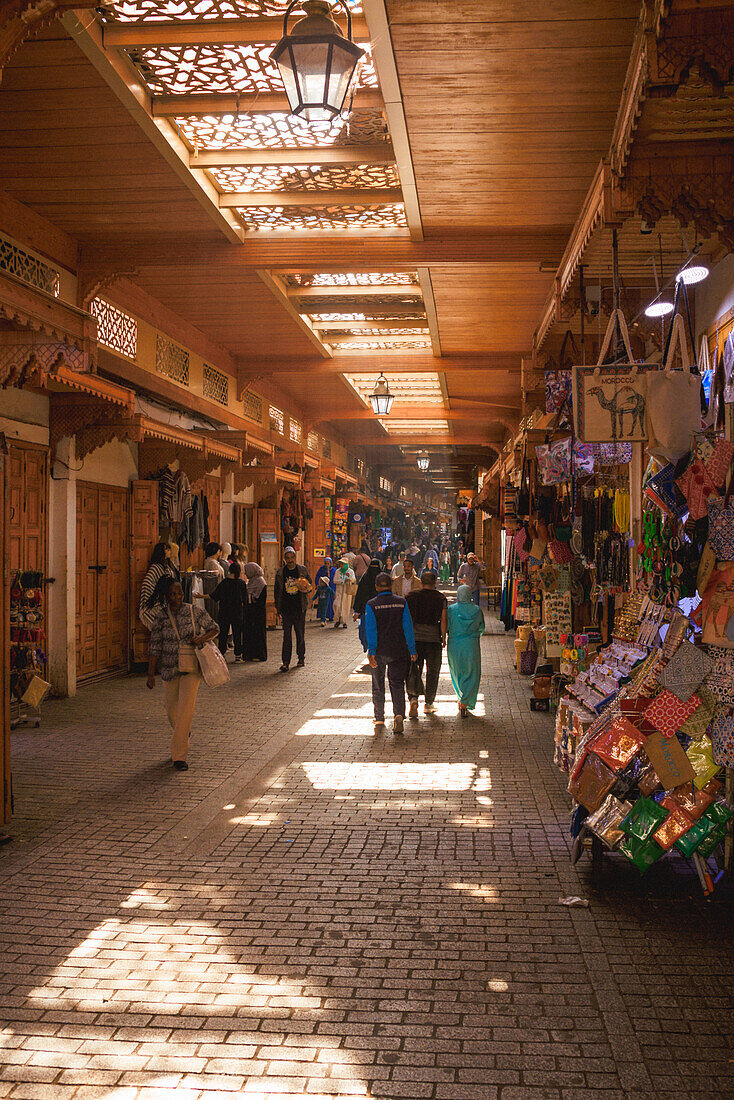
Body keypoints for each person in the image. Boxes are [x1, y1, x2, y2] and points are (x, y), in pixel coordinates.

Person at [146, 576, 218, 770]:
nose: (177, 597)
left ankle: (179, 757)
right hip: (169, 669)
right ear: (166, 596)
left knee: (185, 710)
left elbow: (214, 628)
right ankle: (184, 732)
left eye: (179, 593)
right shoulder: (160, 617)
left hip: (191, 669)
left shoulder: (194, 611)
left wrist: (201, 638)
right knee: (171, 710)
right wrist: (150, 673)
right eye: (172, 594)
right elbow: (154, 646)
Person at [364, 572, 417, 735]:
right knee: (397, 684)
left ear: (376, 587)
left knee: (378, 684)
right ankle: (398, 714)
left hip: (379, 651)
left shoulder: (371, 605)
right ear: (391, 586)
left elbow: (371, 630)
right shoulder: (401, 602)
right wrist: (412, 649)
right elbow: (408, 627)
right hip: (398, 650)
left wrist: (371, 651)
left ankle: (379, 717)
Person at [406, 571, 448, 718]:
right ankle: (429, 703)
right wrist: (443, 637)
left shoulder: (411, 597)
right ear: (435, 583)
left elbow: (407, 619)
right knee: (433, 671)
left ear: (421, 583)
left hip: (415, 639)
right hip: (433, 639)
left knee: (414, 669)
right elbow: (443, 619)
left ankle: (413, 698)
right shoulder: (441, 598)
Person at [447, 584, 485, 717]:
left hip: (454, 646)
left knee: (456, 672)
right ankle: (465, 701)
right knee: (472, 673)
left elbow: (447, 627)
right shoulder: (477, 610)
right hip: (471, 645)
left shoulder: (451, 610)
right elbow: (481, 627)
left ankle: (461, 697)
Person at [274, 546, 312, 671]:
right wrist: (277, 609)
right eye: (287, 558)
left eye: (291, 558)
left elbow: (310, 585)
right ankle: (285, 661)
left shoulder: (302, 570)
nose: (290, 560)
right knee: (286, 636)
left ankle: (301, 658)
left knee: (300, 634)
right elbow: (277, 591)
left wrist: (305, 587)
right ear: (285, 558)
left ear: (295, 557)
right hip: (286, 608)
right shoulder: (280, 573)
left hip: (299, 607)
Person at [139, 541, 180, 630]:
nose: (169, 551)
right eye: (167, 549)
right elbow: (147, 583)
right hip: (158, 602)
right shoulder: (156, 567)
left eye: (169, 549)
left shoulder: (168, 566)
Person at [212, 561, 247, 661]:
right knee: (237, 634)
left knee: (223, 634)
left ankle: (222, 654)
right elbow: (245, 600)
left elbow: (215, 595)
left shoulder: (224, 583)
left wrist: (201, 596)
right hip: (237, 612)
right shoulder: (241, 583)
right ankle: (238, 655)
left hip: (224, 612)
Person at [353, 557, 383, 654]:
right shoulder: (380, 579)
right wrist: (357, 611)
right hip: (369, 611)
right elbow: (360, 596)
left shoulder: (365, 578)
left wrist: (358, 610)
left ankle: (374, 651)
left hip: (376, 612)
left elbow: (359, 596)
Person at [243, 562, 267, 662]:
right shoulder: (252, 582)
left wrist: (253, 599)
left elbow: (261, 600)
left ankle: (259, 654)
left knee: (258, 633)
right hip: (250, 612)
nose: (246, 573)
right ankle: (250, 654)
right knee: (250, 633)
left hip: (258, 613)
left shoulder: (260, 583)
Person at [333, 557, 356, 628]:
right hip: (339, 591)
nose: (341, 565)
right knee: (337, 605)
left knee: (346, 606)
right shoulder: (338, 571)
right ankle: (337, 620)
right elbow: (335, 580)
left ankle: (344, 621)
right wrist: (342, 581)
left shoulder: (350, 571)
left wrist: (349, 578)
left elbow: (353, 580)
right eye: (341, 564)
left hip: (347, 591)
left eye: (343, 564)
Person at [313, 556, 336, 624]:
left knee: (330, 602)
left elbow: (334, 579)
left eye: (328, 563)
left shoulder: (333, 570)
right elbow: (317, 576)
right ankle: (322, 616)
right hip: (322, 588)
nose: (326, 565)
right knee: (322, 602)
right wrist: (317, 584)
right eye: (325, 563)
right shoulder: (322, 569)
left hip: (330, 587)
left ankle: (330, 616)